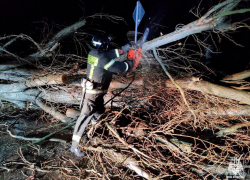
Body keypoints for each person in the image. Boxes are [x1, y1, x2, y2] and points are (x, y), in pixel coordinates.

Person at [70, 32, 140, 157]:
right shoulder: (102, 58)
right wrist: (130, 64)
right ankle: (74, 147)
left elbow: (110, 55)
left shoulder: (95, 53)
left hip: (98, 94)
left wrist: (125, 48)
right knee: (84, 118)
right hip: (92, 96)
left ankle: (94, 134)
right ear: (104, 44)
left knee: (98, 115)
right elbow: (115, 67)